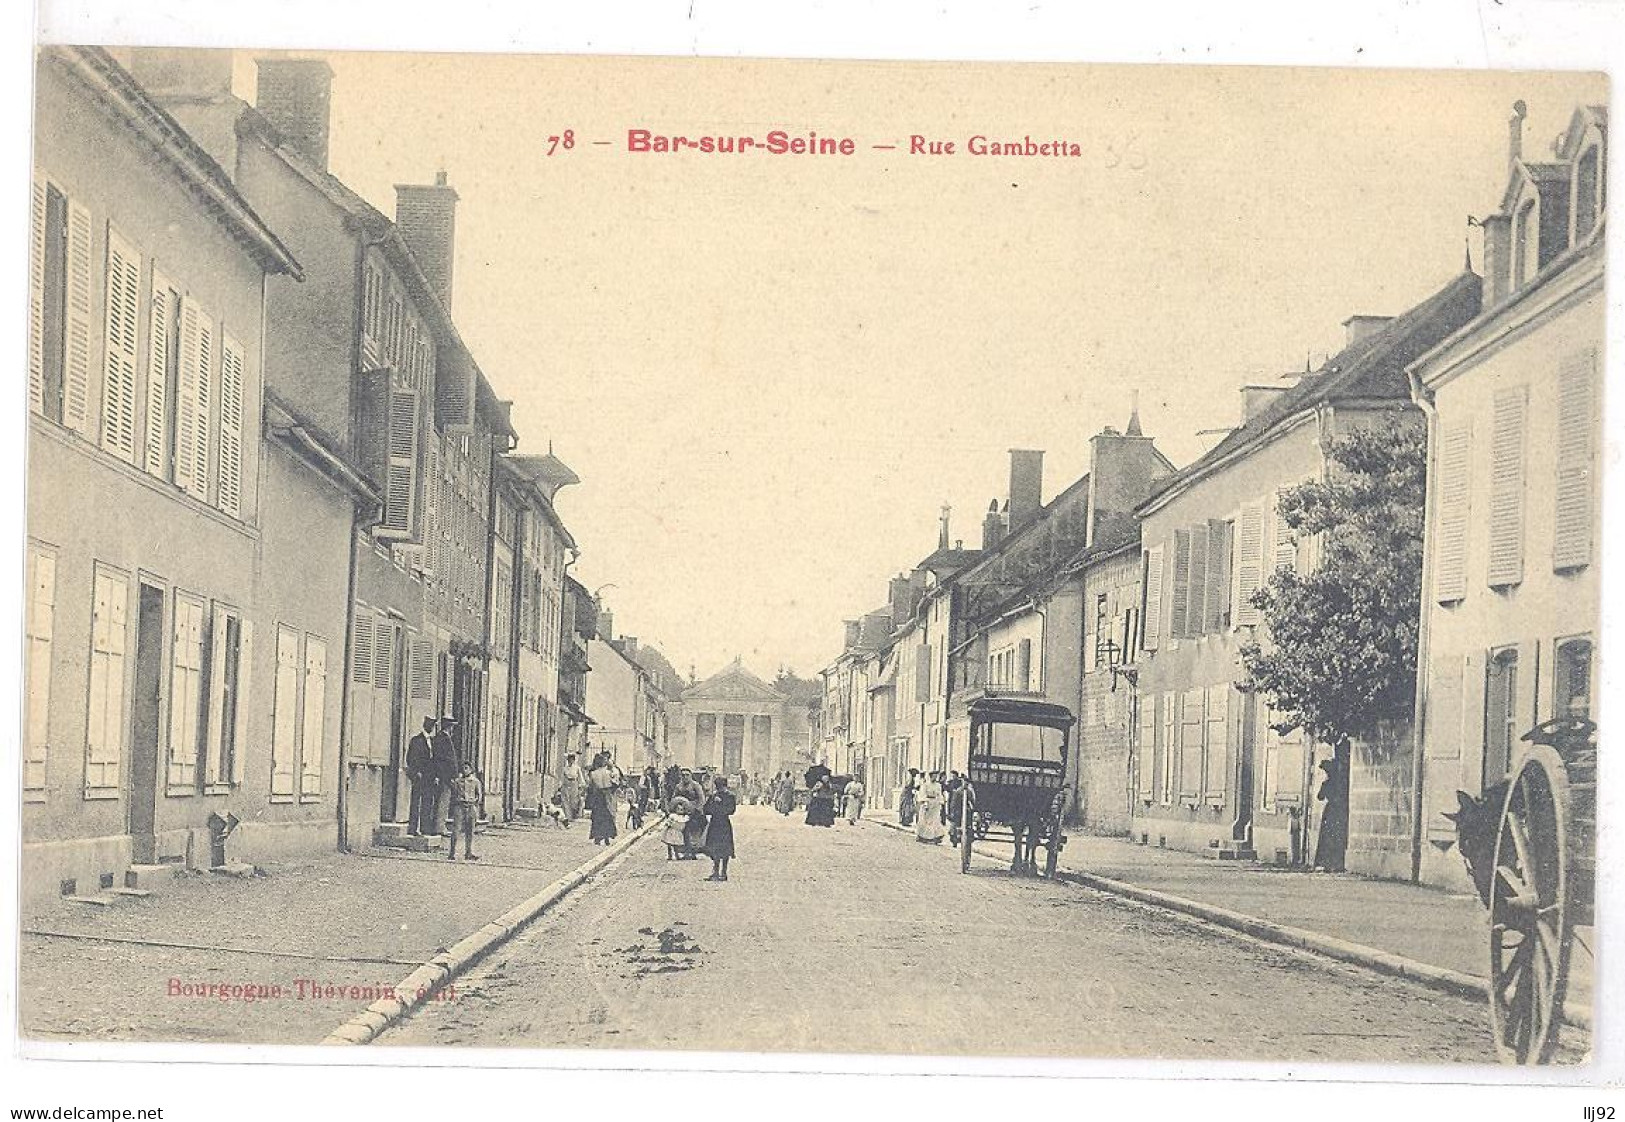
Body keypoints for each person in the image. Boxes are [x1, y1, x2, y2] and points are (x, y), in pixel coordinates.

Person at [1314, 756, 1349, 872]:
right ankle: (1336, 863)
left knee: (1327, 836)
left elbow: (1320, 797)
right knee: (1336, 836)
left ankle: (1326, 862)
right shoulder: (1340, 783)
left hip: (1330, 811)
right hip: (1339, 810)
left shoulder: (1327, 783)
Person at [404, 715, 437, 837]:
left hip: (430, 777)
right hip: (419, 776)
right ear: (425, 725)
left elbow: (435, 760)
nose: (432, 727)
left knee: (427, 802)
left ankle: (425, 828)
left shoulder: (433, 742)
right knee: (416, 802)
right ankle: (413, 828)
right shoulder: (416, 740)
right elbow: (410, 758)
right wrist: (415, 772)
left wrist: (436, 776)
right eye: (430, 725)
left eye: (433, 725)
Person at [429, 716, 461, 837]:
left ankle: (440, 826)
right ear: (449, 727)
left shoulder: (445, 738)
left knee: (445, 800)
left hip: (447, 776)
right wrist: (446, 776)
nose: (452, 729)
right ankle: (439, 827)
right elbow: (440, 760)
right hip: (444, 776)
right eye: (452, 726)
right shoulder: (442, 739)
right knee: (443, 800)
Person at [703, 777, 738, 881]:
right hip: (714, 824)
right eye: (718, 787)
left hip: (724, 823)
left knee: (725, 848)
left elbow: (731, 810)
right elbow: (706, 810)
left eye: (721, 787)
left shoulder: (730, 796)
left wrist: (719, 805)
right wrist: (713, 803)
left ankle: (724, 872)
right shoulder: (713, 796)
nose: (720, 789)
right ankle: (716, 871)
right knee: (714, 848)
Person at [447, 762, 483, 861]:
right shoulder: (458, 781)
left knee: (470, 831)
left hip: (471, 807)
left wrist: (475, 803)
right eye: (463, 768)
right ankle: (452, 852)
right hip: (459, 806)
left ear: (471, 769)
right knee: (456, 830)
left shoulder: (475, 781)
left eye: (467, 768)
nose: (464, 770)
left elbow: (479, 795)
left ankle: (468, 852)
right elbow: (453, 794)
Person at [586, 752, 620, 846]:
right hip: (607, 795)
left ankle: (597, 837)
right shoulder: (609, 773)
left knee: (597, 817)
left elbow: (590, 786)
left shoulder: (593, 774)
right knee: (607, 816)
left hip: (597, 796)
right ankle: (606, 837)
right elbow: (616, 784)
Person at [662, 794, 695, 860]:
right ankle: (670, 855)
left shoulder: (684, 817)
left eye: (682, 810)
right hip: (671, 832)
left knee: (676, 845)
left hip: (678, 832)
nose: (680, 811)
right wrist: (667, 825)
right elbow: (669, 822)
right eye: (678, 809)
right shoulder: (673, 816)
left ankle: (677, 855)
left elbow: (686, 821)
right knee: (669, 844)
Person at [916, 772, 946, 843]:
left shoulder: (938, 785)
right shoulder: (925, 785)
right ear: (930, 777)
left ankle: (935, 837)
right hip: (927, 803)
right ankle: (923, 837)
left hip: (935, 804)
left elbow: (939, 794)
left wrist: (941, 802)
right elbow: (922, 794)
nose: (935, 778)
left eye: (936, 777)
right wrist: (925, 803)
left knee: (935, 820)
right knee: (925, 821)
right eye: (933, 777)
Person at [560, 753, 586, 825]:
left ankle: (573, 815)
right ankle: (567, 816)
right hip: (566, 783)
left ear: (574, 760)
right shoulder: (565, 768)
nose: (570, 761)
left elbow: (580, 777)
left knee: (573, 801)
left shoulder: (577, 768)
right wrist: (560, 785)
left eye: (571, 760)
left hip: (574, 783)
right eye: (569, 760)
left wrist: (581, 785)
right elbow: (562, 777)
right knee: (565, 800)